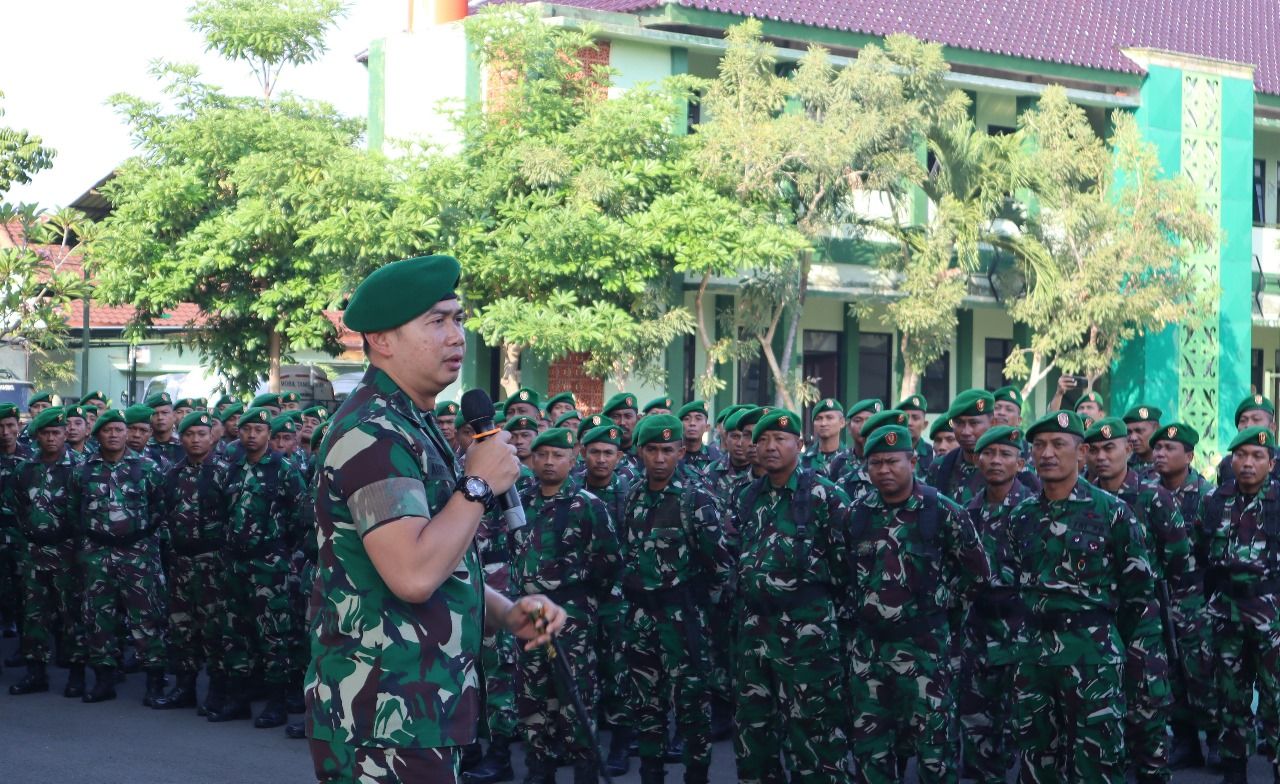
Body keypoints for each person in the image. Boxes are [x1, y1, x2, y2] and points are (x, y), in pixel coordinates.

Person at [305, 255, 566, 784]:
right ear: (382, 340)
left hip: (416, 707)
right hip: (383, 716)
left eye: (459, 318)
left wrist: (505, 611)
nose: (457, 336)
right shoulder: (373, 433)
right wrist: (477, 485)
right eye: (437, 322)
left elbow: (440, 561)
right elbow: (413, 574)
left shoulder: (408, 422)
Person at [1008, 410, 1161, 783]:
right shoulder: (1021, 516)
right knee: (1036, 759)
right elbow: (1017, 581)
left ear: (1081, 453)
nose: (1047, 453)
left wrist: (1100, 635)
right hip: (1035, 656)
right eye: (1039, 445)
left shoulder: (1112, 512)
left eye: (1059, 444)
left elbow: (1137, 592)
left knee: (1097, 763)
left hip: (1093, 656)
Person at [847, 423, 990, 783]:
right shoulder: (857, 514)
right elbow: (842, 573)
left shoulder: (941, 511)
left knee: (934, 754)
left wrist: (942, 601)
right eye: (875, 463)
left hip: (925, 652)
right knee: (870, 751)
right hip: (871, 653)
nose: (884, 470)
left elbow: (978, 573)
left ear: (913, 460)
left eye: (892, 461)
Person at [730, 408, 852, 783]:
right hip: (755, 632)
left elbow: (847, 570)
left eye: (780, 439)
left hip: (807, 633)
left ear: (800, 444)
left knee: (813, 737)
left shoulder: (825, 496)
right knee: (754, 735)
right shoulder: (746, 496)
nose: (770, 447)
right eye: (763, 439)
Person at [619, 414, 731, 784]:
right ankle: (651, 774)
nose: (660, 458)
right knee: (646, 706)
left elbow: (718, 564)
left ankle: (696, 776)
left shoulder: (695, 498)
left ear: (681, 452)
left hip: (682, 619)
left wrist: (705, 616)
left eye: (668, 450)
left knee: (691, 708)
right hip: (640, 619)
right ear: (640, 452)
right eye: (652, 449)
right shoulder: (633, 494)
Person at [1083, 416, 1191, 783]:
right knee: (1098, 722)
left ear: (1128, 449)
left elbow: (1178, 560)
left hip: (1141, 625)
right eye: (1094, 449)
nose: (1102, 457)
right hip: (1096, 623)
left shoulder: (1153, 498)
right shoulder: (1081, 497)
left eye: (1109, 448)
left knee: (1147, 720)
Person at [513, 427, 621, 784]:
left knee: (575, 699)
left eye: (557, 455)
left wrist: (580, 596)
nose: (548, 462)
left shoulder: (588, 504)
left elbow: (608, 563)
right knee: (532, 698)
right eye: (541, 455)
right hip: (527, 614)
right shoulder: (522, 501)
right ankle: (538, 770)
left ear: (572, 459)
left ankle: (585, 772)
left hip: (571, 617)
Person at [212, 405, 309, 729]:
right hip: (235, 563)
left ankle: (277, 702)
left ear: (269, 435)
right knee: (234, 632)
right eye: (246, 430)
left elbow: (301, 519)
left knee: (273, 635)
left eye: (259, 430)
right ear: (238, 433)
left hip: (269, 564)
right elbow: (222, 513)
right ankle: (238, 699)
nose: (252, 436)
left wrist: (279, 551)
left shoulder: (283, 469)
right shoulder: (232, 468)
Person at [1199, 426, 1280, 784]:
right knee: (1229, 694)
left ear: (1271, 462)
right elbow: (1203, 554)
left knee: (1276, 698)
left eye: (1257, 456)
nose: (1247, 463)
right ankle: (1235, 769)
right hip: (1226, 613)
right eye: (1241, 456)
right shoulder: (1216, 500)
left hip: (1272, 616)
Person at [70, 409, 168, 705]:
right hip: (97, 553)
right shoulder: (84, 470)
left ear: (128, 433)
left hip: (137, 554)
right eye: (107, 430)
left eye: (119, 429)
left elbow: (161, 507)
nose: (113, 435)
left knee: (146, 617)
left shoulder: (148, 468)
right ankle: (103, 678)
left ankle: (155, 679)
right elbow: (75, 511)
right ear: (97, 434)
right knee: (98, 617)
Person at [958, 425, 1035, 782]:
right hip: (979, 631)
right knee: (978, 725)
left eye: (1005, 454)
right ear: (977, 460)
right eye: (988, 454)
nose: (996, 461)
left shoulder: (1035, 511)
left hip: (1023, 630)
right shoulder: (965, 513)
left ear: (1021, 463)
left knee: (1030, 728)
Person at [1150, 422, 1220, 769]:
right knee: (1170, 672)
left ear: (1189, 456)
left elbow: (1215, 554)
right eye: (1157, 448)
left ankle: (1217, 738)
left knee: (1203, 671)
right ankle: (1185, 740)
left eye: (1169, 448)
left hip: (1198, 601)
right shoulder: (1147, 494)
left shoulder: (1208, 497)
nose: (1160, 454)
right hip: (1160, 600)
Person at [7, 407, 86, 698]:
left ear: (66, 433)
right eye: (45, 433)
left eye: (56, 432)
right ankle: (35, 671)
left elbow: (86, 510)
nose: (51, 438)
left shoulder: (80, 466)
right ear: (37, 436)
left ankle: (77, 673)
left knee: (71, 614)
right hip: (33, 552)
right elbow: (15, 506)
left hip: (67, 553)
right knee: (33, 614)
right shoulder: (25, 469)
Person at [152, 410, 228, 713]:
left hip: (213, 561)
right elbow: (163, 515)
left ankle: (217, 690)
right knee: (181, 627)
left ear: (212, 436)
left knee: (214, 628)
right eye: (188, 434)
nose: (195, 440)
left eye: (201, 433)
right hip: (181, 561)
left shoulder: (225, 471)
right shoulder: (171, 473)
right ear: (179, 437)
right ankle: (184, 687)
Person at [573, 424, 635, 777]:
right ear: (583, 453)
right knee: (583, 672)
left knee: (617, 669)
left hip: (618, 596)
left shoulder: (630, 491)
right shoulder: (573, 489)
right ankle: (584, 744)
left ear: (618, 457)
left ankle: (621, 742)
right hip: (580, 595)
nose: (600, 459)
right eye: (594, 451)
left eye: (607, 453)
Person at [0, 403, 33, 654]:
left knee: (27, 595)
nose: (5, 432)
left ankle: (27, 649)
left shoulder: (31, 458)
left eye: (10, 425)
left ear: (19, 426)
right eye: (0, 427)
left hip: (23, 537)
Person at [928, 389, 995, 505]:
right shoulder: (940, 467)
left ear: (992, 423)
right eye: (959, 423)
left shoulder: (1010, 468)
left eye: (974, 423)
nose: (965, 432)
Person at [801, 398, 847, 478]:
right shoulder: (803, 460)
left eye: (829, 418)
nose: (823, 423)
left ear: (842, 422)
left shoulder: (851, 459)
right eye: (818, 419)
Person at [676, 400, 720, 476]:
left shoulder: (717, 457)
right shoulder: (672, 457)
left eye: (698, 418)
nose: (692, 423)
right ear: (679, 426)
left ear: (707, 427)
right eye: (686, 419)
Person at [896, 394, 935, 474]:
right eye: (905, 418)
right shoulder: (891, 450)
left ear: (925, 425)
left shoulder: (932, 453)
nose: (909, 423)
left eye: (915, 418)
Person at [144, 392, 184, 470]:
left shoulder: (184, 445)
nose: (160, 417)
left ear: (173, 415)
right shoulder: (143, 445)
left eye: (165, 413)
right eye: (155, 414)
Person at [1124, 405, 1162, 479]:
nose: (1133, 438)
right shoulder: (1123, 465)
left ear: (1156, 429)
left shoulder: (1170, 465)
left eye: (1139, 431)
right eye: (1129, 432)